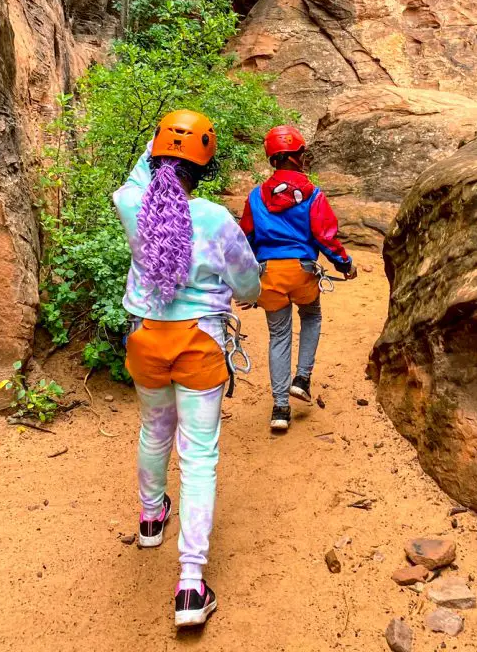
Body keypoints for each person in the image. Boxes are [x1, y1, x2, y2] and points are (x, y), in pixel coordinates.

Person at [113, 110, 260, 629]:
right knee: (198, 457)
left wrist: (159, 144)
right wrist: (243, 295)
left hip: (146, 338)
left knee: (154, 431)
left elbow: (136, 180)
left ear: (152, 159)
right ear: (208, 165)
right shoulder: (215, 218)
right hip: (199, 343)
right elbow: (247, 286)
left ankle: (151, 517)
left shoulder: (134, 205)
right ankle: (191, 586)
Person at [239, 125, 357, 432]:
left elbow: (246, 240)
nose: (304, 157)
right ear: (293, 157)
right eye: (302, 153)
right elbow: (326, 237)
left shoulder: (255, 197)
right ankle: (302, 378)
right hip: (302, 272)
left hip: (269, 275)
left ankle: (280, 409)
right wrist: (344, 264)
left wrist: (248, 282)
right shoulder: (313, 195)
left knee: (278, 336)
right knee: (312, 317)